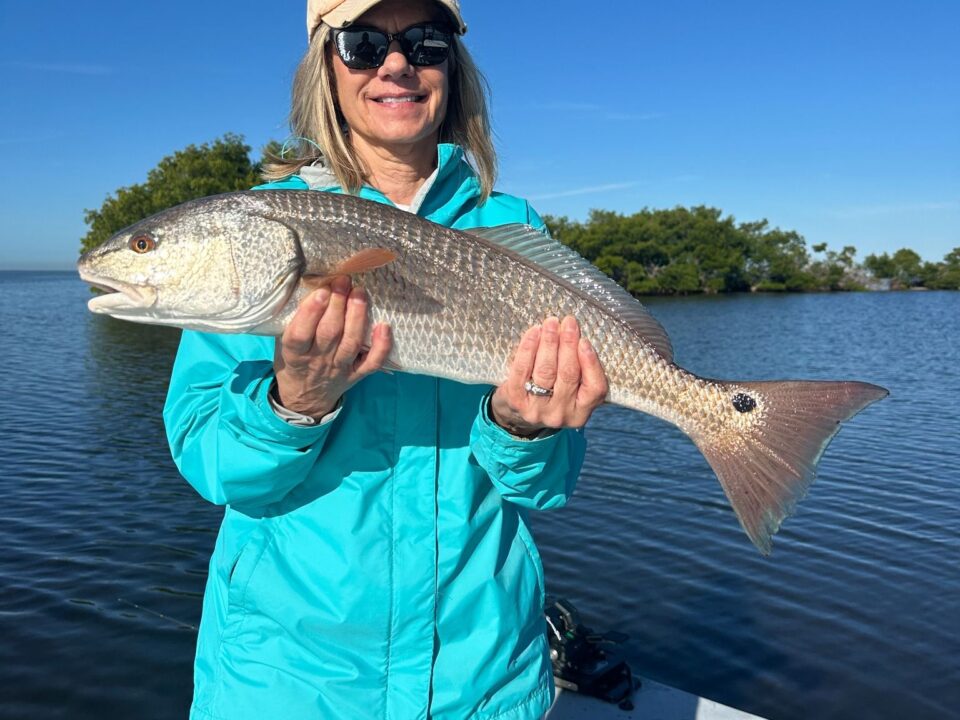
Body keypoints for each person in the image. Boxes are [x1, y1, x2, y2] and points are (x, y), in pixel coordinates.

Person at [163, 1, 608, 718]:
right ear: (324, 66)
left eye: (425, 43)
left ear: (453, 67)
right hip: (286, 683)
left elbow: (544, 487)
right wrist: (294, 403)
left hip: (483, 681)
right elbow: (213, 464)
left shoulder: (513, 228)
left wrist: (523, 428)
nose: (396, 63)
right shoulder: (258, 231)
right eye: (363, 43)